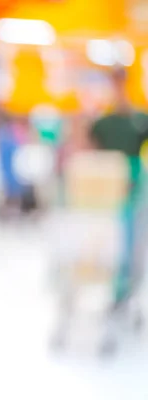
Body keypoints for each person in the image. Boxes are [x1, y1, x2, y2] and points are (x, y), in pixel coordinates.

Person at [89, 68, 148, 304]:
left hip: (133, 186)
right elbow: (91, 148)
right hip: (105, 185)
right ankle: (111, 279)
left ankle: (125, 285)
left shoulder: (139, 120)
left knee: (129, 237)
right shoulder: (103, 122)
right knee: (105, 236)